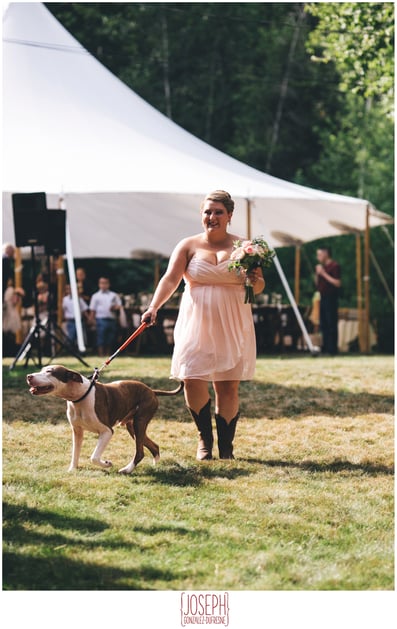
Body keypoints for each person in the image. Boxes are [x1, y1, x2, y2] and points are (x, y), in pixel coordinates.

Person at [141, 190, 265, 460]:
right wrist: (154, 306)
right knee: (192, 377)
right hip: (196, 321)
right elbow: (171, 279)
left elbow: (258, 286)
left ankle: (227, 448)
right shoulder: (188, 245)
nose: (212, 217)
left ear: (229, 216)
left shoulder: (245, 247)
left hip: (233, 321)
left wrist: (254, 279)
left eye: (218, 212)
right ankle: (204, 441)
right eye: (207, 212)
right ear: (202, 216)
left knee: (227, 385)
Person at [315, 246, 341, 355]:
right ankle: (325, 347)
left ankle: (332, 349)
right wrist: (318, 274)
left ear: (326, 254)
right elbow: (317, 285)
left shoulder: (334, 266)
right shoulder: (322, 267)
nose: (318, 257)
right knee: (323, 323)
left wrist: (323, 274)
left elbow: (337, 283)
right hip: (322, 297)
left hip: (331, 297)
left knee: (331, 323)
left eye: (320, 255)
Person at [89, 277, 122, 356]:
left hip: (111, 318)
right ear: (99, 284)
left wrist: (114, 307)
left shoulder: (113, 295)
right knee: (101, 336)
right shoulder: (95, 296)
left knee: (110, 337)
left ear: (108, 284)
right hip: (100, 319)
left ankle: (108, 354)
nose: (103, 285)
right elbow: (93, 309)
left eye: (105, 283)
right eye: (101, 283)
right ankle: (101, 354)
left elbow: (119, 305)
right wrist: (91, 319)